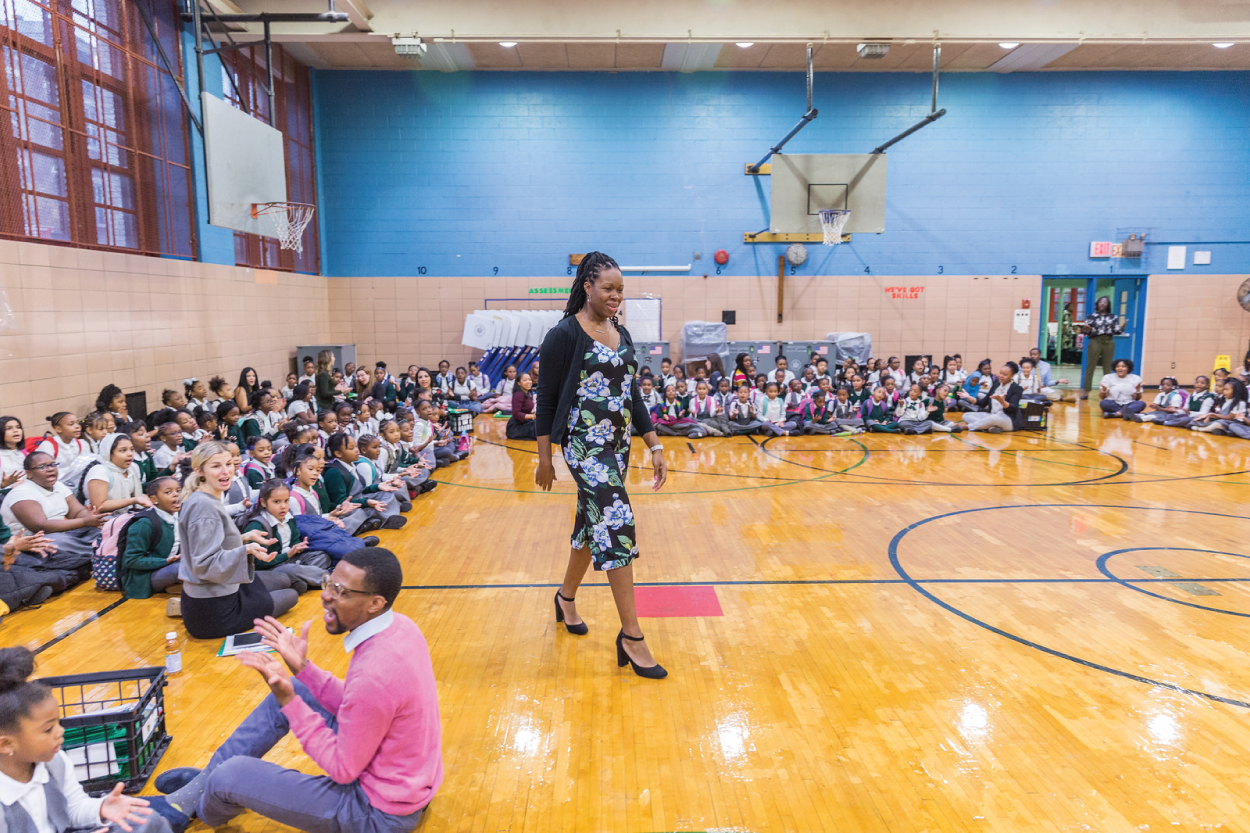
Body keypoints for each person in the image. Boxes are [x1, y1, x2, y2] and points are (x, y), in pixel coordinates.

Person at [146, 549, 442, 833]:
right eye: (329, 583)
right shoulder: (400, 626)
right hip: (405, 780)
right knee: (300, 686)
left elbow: (343, 768)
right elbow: (359, 704)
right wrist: (302, 667)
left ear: (375, 603)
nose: (326, 595)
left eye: (341, 591)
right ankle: (200, 786)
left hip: (375, 813)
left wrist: (288, 701)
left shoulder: (374, 672)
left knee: (230, 775)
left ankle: (192, 804)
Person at [535, 251, 669, 678]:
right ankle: (631, 636)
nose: (616, 297)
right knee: (616, 519)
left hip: (616, 447)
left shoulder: (622, 333)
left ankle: (566, 598)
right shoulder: (564, 334)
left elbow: (633, 396)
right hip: (582, 444)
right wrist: (544, 460)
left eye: (621, 290)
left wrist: (654, 446)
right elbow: (546, 401)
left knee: (591, 524)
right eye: (608, 288)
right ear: (587, 286)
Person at [0, 647, 169, 832]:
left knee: (146, 821)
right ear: (6, 744)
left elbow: (74, 810)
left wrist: (101, 808)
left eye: (58, 722)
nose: (60, 731)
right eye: (48, 729)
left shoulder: (56, 761)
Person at [176, 442, 297, 640]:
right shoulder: (204, 507)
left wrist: (243, 538)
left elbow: (210, 544)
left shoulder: (205, 497)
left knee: (285, 580)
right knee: (291, 593)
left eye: (229, 464)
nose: (225, 471)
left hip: (218, 589)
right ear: (199, 471)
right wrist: (246, 549)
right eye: (216, 466)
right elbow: (204, 564)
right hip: (213, 610)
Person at [2, 452, 104, 584]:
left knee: (100, 529)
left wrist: (90, 517)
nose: (50, 469)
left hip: (65, 534)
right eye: (42, 466)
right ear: (29, 473)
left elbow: (76, 512)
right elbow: (41, 526)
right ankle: (102, 553)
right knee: (55, 540)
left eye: (52, 464)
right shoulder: (21, 492)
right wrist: (85, 521)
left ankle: (100, 551)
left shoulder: (59, 486)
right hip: (32, 544)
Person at [120, 476, 183, 605]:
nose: (176, 495)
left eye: (178, 490)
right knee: (184, 568)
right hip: (146, 577)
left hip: (168, 567)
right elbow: (131, 560)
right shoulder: (144, 523)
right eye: (168, 492)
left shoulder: (180, 516)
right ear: (154, 499)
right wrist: (165, 561)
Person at [1078, 296, 1123, 399]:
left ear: (1108, 305)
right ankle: (1086, 392)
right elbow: (1085, 332)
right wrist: (1087, 329)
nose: (1102, 304)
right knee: (1091, 366)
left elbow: (1117, 331)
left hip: (1108, 341)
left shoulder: (1113, 317)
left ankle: (1107, 392)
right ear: (1097, 304)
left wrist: (1122, 327)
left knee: (1107, 367)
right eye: (1100, 302)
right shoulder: (1091, 317)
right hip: (1095, 340)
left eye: (1105, 302)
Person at [959, 363, 1025, 433]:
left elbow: (1013, 408)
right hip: (991, 415)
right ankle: (990, 427)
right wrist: (969, 397)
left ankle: (968, 427)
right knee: (966, 415)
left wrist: (1002, 401)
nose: (1001, 376)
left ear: (1012, 375)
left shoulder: (1017, 388)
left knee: (993, 418)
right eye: (1001, 373)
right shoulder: (996, 384)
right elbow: (983, 403)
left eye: (1005, 375)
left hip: (1008, 420)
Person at [507, 372, 537, 440]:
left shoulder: (528, 393)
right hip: (516, 427)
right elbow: (516, 414)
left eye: (529, 379)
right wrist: (533, 416)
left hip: (524, 422)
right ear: (519, 383)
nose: (528, 382)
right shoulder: (518, 394)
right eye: (525, 380)